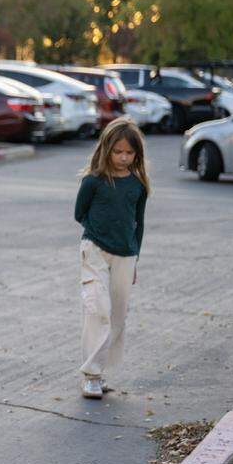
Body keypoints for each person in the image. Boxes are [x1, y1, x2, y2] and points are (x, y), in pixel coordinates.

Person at [74, 118, 150, 399]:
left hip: (126, 256)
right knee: (98, 309)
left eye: (129, 153)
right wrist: (99, 233)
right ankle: (91, 376)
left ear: (136, 155)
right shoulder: (93, 181)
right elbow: (79, 213)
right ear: (107, 149)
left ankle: (100, 371)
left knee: (117, 316)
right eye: (118, 152)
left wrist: (135, 261)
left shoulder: (138, 185)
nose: (123, 157)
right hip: (94, 250)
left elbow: (138, 225)